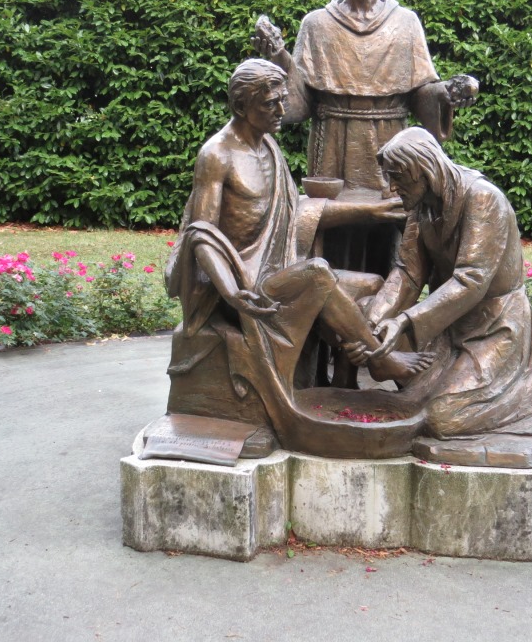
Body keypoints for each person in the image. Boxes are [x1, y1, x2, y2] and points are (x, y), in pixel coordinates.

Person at [164, 61, 434, 448]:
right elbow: (201, 235)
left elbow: (296, 214)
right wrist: (232, 292)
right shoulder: (217, 155)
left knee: (370, 285)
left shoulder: (269, 148)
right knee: (319, 273)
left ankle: (344, 386)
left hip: (276, 270)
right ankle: (379, 357)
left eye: (282, 100)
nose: (282, 110)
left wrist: (367, 211)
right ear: (241, 106)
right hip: (242, 284)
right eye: (270, 104)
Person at [253, 0, 477, 275]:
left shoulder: (405, 23)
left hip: (390, 141)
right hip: (333, 146)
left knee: (390, 227)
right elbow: (299, 103)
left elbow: (422, 93)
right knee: (334, 227)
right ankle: (329, 300)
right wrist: (278, 57)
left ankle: (387, 299)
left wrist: (448, 93)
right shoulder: (317, 24)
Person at [363, 128, 532, 438]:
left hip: (494, 326)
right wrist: (372, 323)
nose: (391, 188)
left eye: (398, 177)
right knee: (391, 370)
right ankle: (457, 385)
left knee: (442, 419)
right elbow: (408, 272)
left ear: (425, 170)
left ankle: (526, 391)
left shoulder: (482, 198)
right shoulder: (421, 204)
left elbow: (472, 280)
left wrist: (403, 321)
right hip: (447, 324)